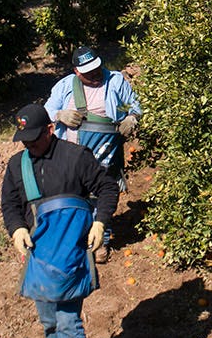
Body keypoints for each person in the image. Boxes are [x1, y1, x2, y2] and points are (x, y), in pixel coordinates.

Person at [0, 102, 119, 338]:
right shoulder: (16, 166)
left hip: (70, 254)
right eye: (24, 141)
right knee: (49, 321)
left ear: (50, 130)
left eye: (34, 139)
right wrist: (17, 229)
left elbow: (107, 187)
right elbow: (10, 204)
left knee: (67, 321)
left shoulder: (76, 157)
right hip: (38, 255)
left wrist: (100, 222)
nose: (29, 146)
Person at [45, 46, 141, 219]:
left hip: (106, 154)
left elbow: (136, 105)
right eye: (88, 72)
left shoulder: (115, 81)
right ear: (77, 72)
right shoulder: (65, 86)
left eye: (97, 69)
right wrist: (59, 115)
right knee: (75, 198)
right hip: (71, 156)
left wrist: (132, 118)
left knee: (102, 197)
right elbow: (47, 111)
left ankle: (102, 237)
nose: (95, 74)